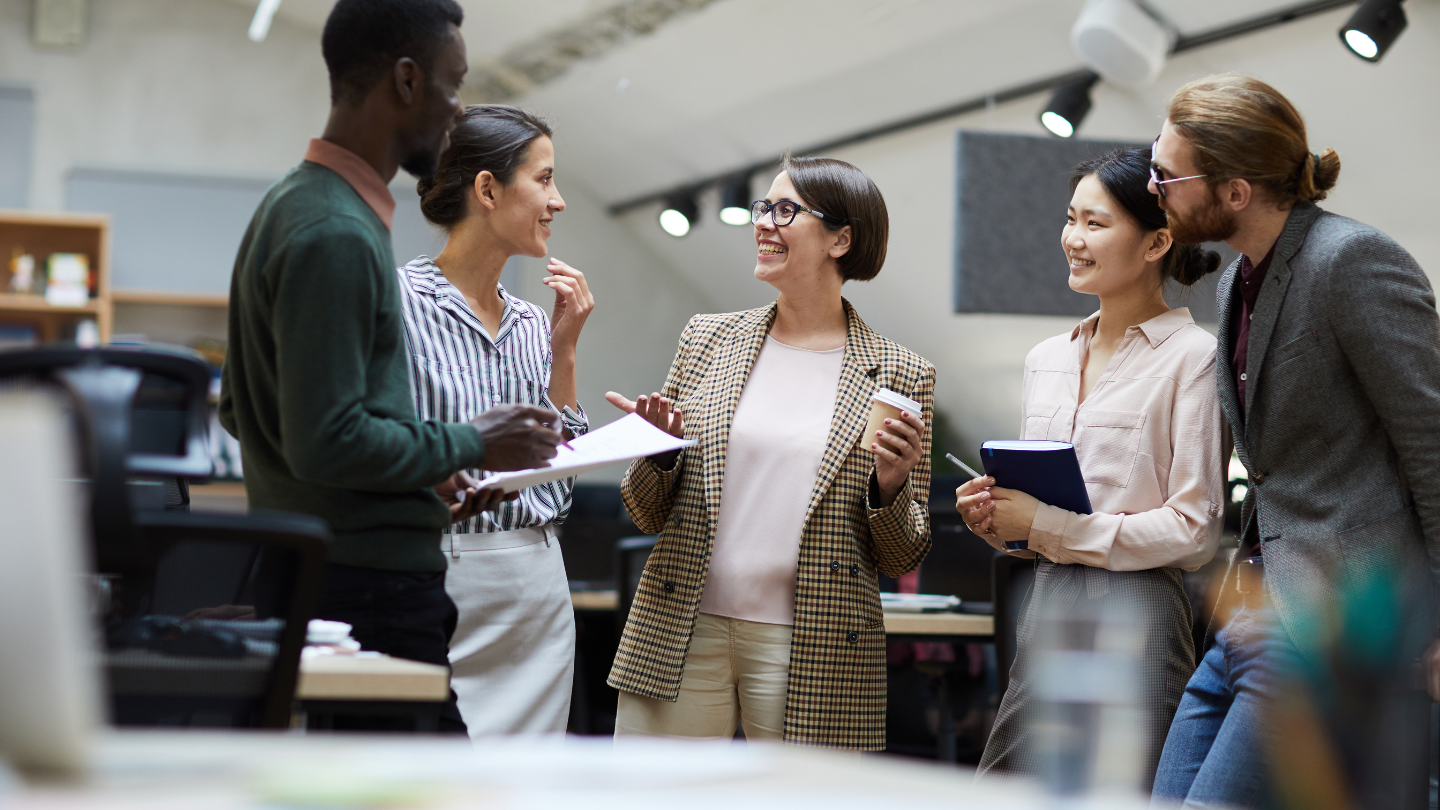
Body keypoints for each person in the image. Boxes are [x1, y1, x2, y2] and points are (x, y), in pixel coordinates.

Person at [219, 0, 563, 733]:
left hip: (340, 572)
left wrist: (422, 469)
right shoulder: (337, 231)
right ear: (407, 81)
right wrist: (472, 442)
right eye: (451, 83)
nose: (456, 109)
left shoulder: (300, 204)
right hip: (367, 586)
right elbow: (328, 438)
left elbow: (242, 409)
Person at [1148, 75, 1440, 810]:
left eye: (1167, 174)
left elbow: (1434, 444)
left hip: (1336, 623)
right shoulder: (1232, 284)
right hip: (1255, 608)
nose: (1154, 187)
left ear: (1236, 190)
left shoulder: (1352, 262)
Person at [603, 155, 934, 750]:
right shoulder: (707, 339)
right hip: (682, 624)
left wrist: (890, 485)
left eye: (787, 211)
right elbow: (645, 511)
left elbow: (901, 552)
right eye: (764, 207)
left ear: (842, 238)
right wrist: (657, 454)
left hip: (813, 641)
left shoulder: (902, 374)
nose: (764, 223)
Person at [958, 147, 1225, 789]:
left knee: (1122, 795)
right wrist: (995, 518)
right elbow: (1034, 520)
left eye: (1095, 224)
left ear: (1158, 240)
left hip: (1141, 610)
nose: (1073, 239)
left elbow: (1193, 531)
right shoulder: (1044, 359)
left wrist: (1045, 523)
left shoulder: (1196, 356)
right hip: (1048, 600)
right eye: (1070, 218)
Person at [398, 104, 595, 737]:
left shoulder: (535, 322)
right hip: (438, 578)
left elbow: (556, 491)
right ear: (487, 189)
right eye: (544, 179)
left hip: (536, 588)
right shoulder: (396, 305)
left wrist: (564, 353)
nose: (558, 201)